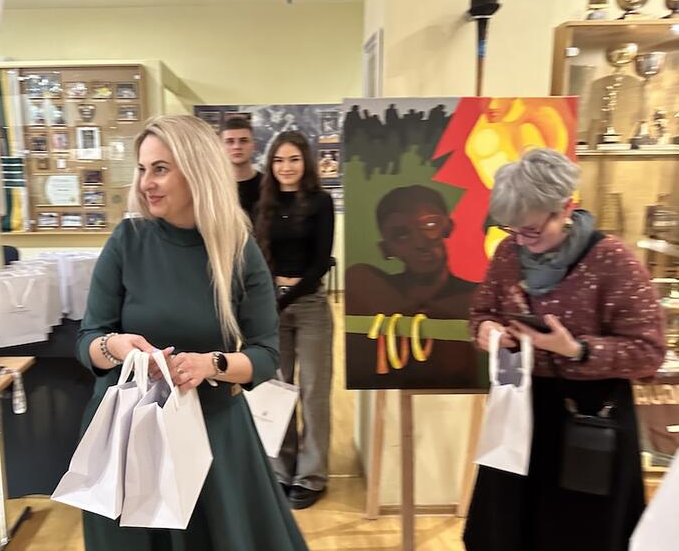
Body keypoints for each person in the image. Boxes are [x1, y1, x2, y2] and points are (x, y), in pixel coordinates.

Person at [76, 115, 308, 550]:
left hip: (210, 434)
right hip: (127, 435)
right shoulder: (128, 240)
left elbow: (264, 355)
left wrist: (211, 365)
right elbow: (88, 341)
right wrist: (116, 347)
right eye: (142, 169)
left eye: (160, 169)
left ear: (197, 171)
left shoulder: (237, 251)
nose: (146, 182)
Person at [463, 148, 666, 551]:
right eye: (512, 229)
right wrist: (486, 330)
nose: (522, 240)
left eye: (532, 230)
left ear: (566, 208)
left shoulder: (612, 260)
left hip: (590, 418)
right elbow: (482, 312)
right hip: (520, 413)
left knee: (579, 533)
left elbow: (649, 351)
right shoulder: (509, 254)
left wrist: (577, 349)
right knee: (507, 529)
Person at [254, 130, 335, 510]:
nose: (286, 167)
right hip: (271, 304)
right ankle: (281, 470)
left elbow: (320, 263)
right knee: (277, 387)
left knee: (314, 390)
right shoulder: (264, 204)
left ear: (306, 162)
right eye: (279, 160)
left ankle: (311, 475)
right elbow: (258, 256)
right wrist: (267, 299)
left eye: (293, 159)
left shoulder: (320, 202)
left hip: (310, 303)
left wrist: (285, 297)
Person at [345, 185, 479, 386]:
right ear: (386, 249)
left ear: (448, 226)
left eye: (430, 225)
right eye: (401, 235)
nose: (420, 243)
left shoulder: (477, 296)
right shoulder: (369, 286)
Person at [220, 116, 262, 222]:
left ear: (254, 145)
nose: (237, 146)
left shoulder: (268, 184)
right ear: (220, 147)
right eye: (230, 141)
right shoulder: (212, 187)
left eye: (243, 141)